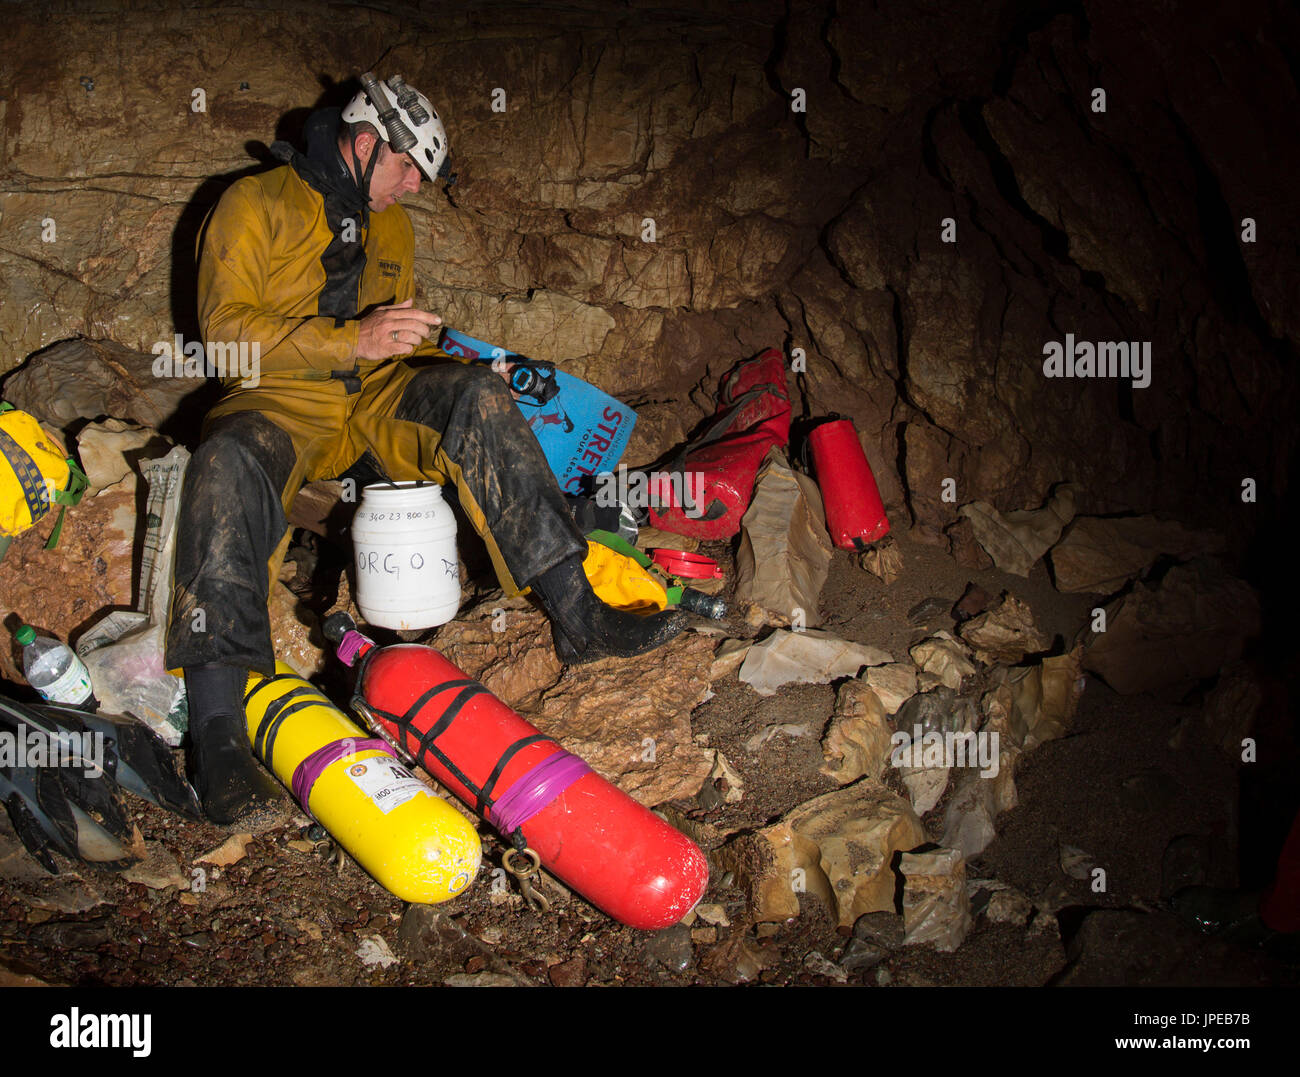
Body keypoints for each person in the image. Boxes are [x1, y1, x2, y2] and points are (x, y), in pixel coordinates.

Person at [164, 74, 686, 825]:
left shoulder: (392, 228)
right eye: (408, 168)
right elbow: (223, 339)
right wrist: (354, 338)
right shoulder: (252, 204)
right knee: (224, 462)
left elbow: (395, 329)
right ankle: (216, 733)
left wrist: (466, 358)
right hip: (279, 399)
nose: (413, 186)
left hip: (369, 399)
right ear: (366, 143)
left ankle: (581, 612)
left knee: (473, 397)